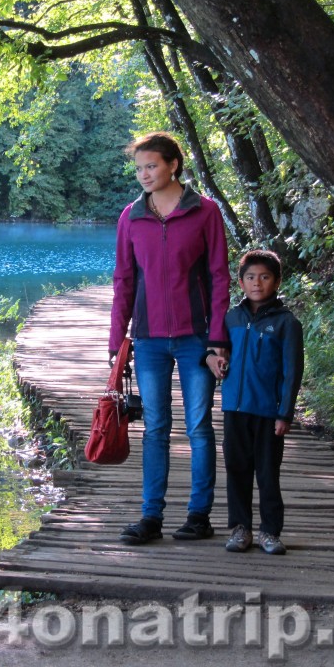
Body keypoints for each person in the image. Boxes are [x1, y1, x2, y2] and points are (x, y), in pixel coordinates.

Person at [109, 131, 231, 545]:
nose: (144, 174)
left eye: (152, 166)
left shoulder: (205, 212)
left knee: (199, 427)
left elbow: (219, 277)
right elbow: (124, 280)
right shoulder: (131, 216)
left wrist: (218, 338)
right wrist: (116, 343)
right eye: (140, 167)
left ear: (173, 165)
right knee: (156, 427)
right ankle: (151, 517)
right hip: (148, 341)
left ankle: (199, 515)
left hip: (197, 337)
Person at [206, 249, 304, 555]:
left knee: (267, 473)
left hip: (267, 411)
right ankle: (240, 529)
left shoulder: (287, 323)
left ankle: (270, 532)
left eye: (264, 277)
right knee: (236, 469)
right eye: (250, 277)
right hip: (235, 408)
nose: (257, 283)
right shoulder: (231, 317)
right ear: (241, 281)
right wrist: (214, 360)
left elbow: (292, 371)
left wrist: (284, 413)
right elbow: (212, 350)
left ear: (276, 281)